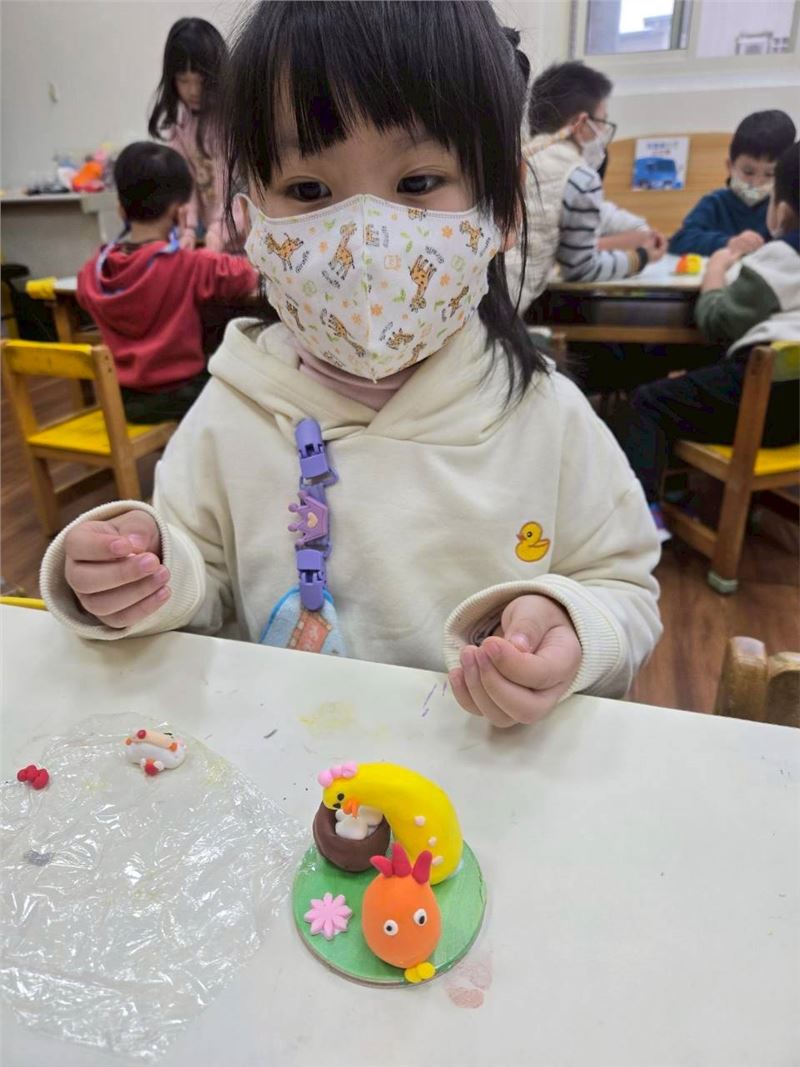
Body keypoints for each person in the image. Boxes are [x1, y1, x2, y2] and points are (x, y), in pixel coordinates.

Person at [41, 1, 661, 729]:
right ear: (250, 219)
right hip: (284, 766)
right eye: (309, 190)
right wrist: (140, 573)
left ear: (504, 208)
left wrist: (573, 623)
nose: (365, 239)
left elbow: (623, 586)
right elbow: (197, 581)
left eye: (419, 182)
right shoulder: (232, 411)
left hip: (482, 773)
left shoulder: (544, 416)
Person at [613, 141, 800, 541]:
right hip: (793, 418)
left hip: (765, 406)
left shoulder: (782, 258)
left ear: (782, 211)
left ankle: (641, 522)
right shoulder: (715, 203)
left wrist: (717, 268)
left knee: (649, 402)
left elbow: (716, 321)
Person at [76, 142, 258, 423]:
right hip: (182, 396)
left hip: (123, 400)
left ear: (121, 210)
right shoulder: (190, 265)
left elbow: (84, 296)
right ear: (180, 212)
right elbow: (248, 275)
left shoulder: (94, 271)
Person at [505, 60, 665, 314]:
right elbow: (580, 269)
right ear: (582, 125)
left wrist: (638, 231)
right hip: (505, 309)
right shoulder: (580, 177)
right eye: (602, 123)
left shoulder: (523, 156)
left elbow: (602, 213)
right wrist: (641, 257)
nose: (603, 133)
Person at [148, 17, 236, 251]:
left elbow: (238, 185)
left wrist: (219, 229)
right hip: (212, 235)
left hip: (245, 233)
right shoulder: (179, 124)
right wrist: (187, 229)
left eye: (201, 81)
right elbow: (185, 182)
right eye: (183, 80)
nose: (193, 90)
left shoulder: (232, 119)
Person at [669, 110, 796, 257]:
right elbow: (679, 240)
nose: (756, 183)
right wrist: (728, 243)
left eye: (769, 174)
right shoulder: (716, 202)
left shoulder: (785, 209)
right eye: (748, 172)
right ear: (730, 166)